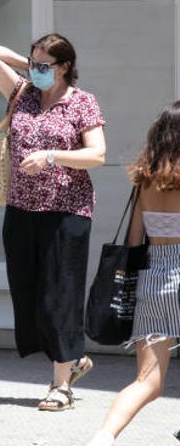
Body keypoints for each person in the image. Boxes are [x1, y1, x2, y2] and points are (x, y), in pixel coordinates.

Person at [0, 34, 106, 411]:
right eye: (34, 62)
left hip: (66, 211)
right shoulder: (23, 93)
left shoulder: (82, 102)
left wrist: (51, 156)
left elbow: (97, 154)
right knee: (30, 297)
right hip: (20, 210)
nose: (36, 70)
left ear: (65, 66)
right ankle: (74, 359)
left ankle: (60, 385)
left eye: (45, 65)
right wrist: (31, 66)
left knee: (59, 298)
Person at [86, 103, 180, 446]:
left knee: (147, 381)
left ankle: (104, 437)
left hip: (153, 278)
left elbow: (134, 241)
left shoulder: (145, 182)